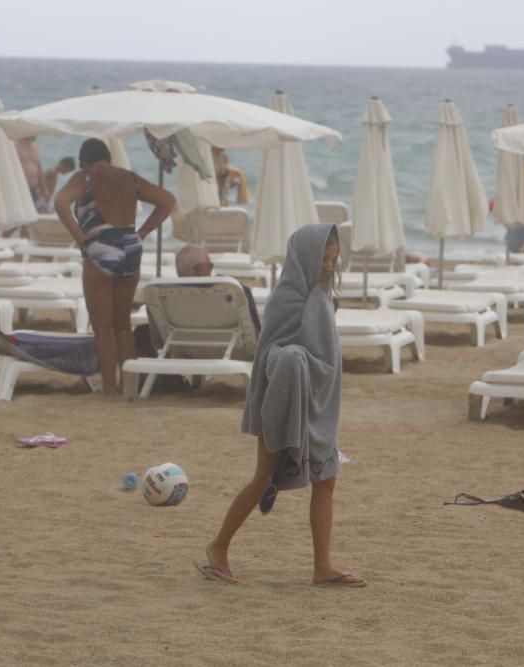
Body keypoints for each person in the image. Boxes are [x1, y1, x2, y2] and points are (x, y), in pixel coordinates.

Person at [198, 224, 364, 588]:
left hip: (317, 405)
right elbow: (271, 356)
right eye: (323, 259)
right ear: (303, 256)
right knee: (262, 478)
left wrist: (309, 365)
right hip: (282, 404)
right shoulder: (287, 299)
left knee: (326, 481)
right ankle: (217, 547)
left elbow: (323, 351)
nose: (329, 267)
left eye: (334, 259)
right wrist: (294, 360)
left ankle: (323, 566)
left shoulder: (321, 295)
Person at [54, 138, 175, 396]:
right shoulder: (129, 178)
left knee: (102, 327)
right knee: (122, 325)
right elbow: (167, 200)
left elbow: (60, 202)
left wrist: (78, 235)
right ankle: (128, 387)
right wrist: (142, 231)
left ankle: (109, 389)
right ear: (108, 157)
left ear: (84, 159)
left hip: (100, 248)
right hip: (130, 248)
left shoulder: (84, 177)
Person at [15, 137, 46, 207]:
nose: (37, 135)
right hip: (20, 188)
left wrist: (44, 188)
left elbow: (40, 171)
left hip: (33, 189)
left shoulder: (35, 149)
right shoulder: (16, 146)